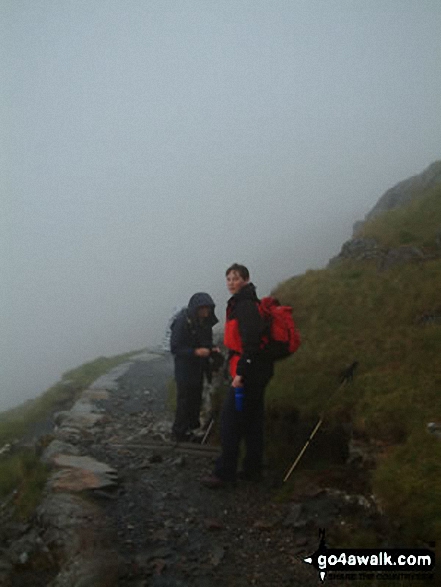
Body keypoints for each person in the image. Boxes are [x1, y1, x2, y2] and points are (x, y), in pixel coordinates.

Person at [201, 264, 274, 487]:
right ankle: (252, 469)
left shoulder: (245, 306)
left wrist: (240, 374)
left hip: (248, 375)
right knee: (252, 422)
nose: (231, 282)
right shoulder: (246, 303)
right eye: (229, 279)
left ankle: (225, 474)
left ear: (246, 279)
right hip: (258, 372)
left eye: (236, 278)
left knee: (229, 423)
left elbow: (250, 344)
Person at [170, 292, 219, 442]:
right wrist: (195, 352)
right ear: (196, 308)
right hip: (185, 368)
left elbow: (206, 342)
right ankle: (179, 432)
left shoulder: (205, 323)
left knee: (196, 398)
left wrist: (211, 349)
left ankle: (191, 428)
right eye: (203, 308)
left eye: (208, 308)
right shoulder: (182, 322)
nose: (206, 312)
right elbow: (175, 348)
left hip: (198, 367)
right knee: (185, 399)